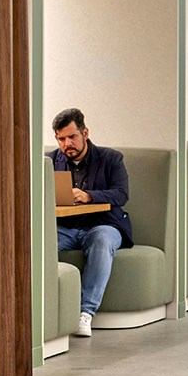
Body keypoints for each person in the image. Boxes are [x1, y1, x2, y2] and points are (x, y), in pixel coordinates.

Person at [49, 108, 132, 338]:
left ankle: (85, 313)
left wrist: (90, 196)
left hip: (103, 224)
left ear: (85, 133)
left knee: (102, 240)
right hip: (65, 227)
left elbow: (121, 194)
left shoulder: (111, 158)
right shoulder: (49, 161)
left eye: (72, 137)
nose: (67, 144)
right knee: (38, 242)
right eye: (61, 139)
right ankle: (43, 308)